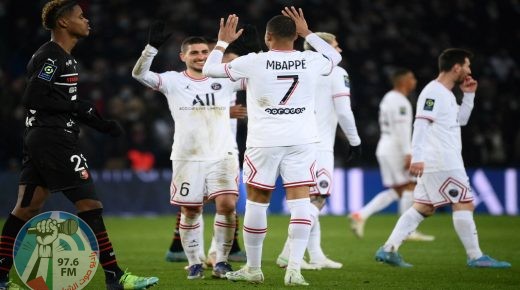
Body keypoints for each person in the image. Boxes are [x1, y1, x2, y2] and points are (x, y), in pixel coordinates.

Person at [0, 1, 159, 290]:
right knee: (91, 205)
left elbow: (65, 103)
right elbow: (33, 96)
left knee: (25, 209)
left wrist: (100, 123)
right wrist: (75, 108)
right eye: (80, 16)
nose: (87, 21)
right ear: (63, 23)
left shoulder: (65, 58)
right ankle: (115, 277)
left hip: (41, 138)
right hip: (54, 139)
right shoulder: (52, 57)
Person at [203, 7, 342, 286]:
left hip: (264, 142)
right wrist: (308, 33)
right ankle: (294, 270)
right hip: (302, 140)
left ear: (268, 37)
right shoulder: (310, 59)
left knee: (257, 202)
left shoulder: (254, 61)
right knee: (301, 201)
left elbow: (208, 69)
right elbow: (335, 57)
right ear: (294, 35)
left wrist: (222, 42)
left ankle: (254, 269)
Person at [374, 48, 511, 268]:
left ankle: (389, 249)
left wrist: (469, 96)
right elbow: (420, 123)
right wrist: (417, 156)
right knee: (464, 202)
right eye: (467, 65)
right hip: (441, 159)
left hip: (439, 159)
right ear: (456, 67)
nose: (469, 70)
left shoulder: (446, 94)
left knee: (423, 207)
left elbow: (461, 120)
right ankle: (475, 256)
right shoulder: (433, 92)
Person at [132, 22, 245, 280]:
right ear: (183, 56)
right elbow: (139, 75)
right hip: (187, 157)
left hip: (222, 154)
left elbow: (259, 78)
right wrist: (150, 49)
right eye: (194, 53)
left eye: (205, 52)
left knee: (227, 205)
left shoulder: (224, 78)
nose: (201, 57)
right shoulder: (172, 81)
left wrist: (255, 53)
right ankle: (195, 262)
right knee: (191, 211)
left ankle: (222, 261)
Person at [275, 32, 360, 270]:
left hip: (292, 143)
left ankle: (316, 254)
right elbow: (344, 111)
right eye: (335, 44)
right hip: (319, 146)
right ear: (323, 48)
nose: (339, 49)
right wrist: (355, 141)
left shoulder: (298, 68)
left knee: (305, 200)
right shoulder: (335, 71)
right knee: (317, 200)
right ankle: (287, 253)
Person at [349, 68, 435, 242]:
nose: (415, 81)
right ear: (403, 81)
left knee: (397, 190)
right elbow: (401, 129)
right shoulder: (401, 102)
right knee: (410, 185)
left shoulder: (388, 98)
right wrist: (408, 153)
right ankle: (407, 231)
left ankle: (361, 215)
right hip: (396, 148)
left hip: (385, 146)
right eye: (412, 77)